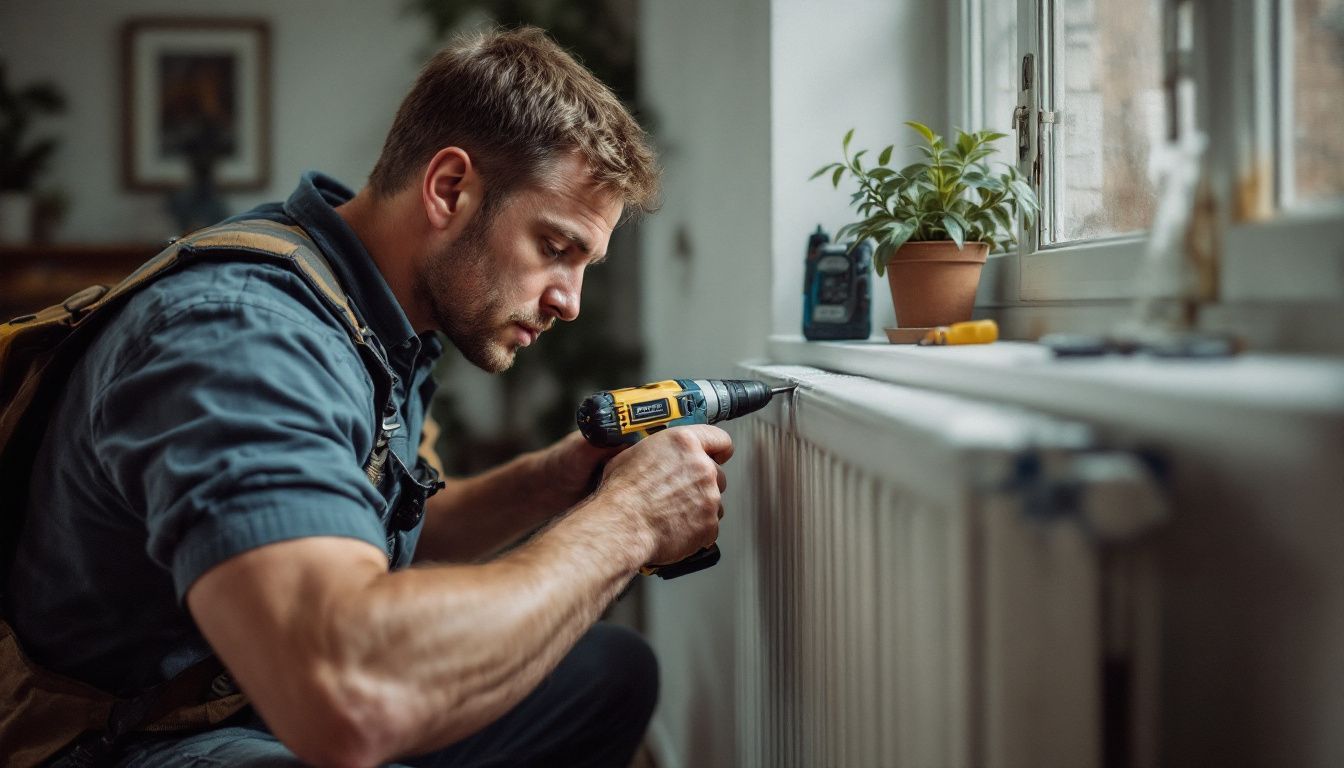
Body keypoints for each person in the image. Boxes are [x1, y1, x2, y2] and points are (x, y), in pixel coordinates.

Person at [4, 27, 732, 768]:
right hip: (130, 735)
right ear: (450, 189)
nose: (570, 302)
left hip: (248, 694)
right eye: (555, 247)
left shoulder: (377, 313)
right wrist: (627, 525)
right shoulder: (244, 338)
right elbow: (342, 696)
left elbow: (375, 527)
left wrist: (553, 482)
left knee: (607, 674)